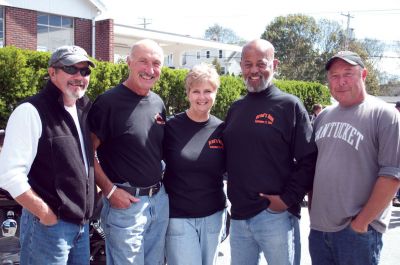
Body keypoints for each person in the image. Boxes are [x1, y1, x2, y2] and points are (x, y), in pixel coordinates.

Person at [222, 39, 317, 265]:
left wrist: (286, 200)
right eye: (247, 64)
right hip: (239, 217)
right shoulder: (236, 108)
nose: (254, 70)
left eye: (261, 63)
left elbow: (309, 159)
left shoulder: (289, 106)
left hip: (275, 217)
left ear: (274, 64)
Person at [0, 45, 96, 264]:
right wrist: (45, 214)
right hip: (48, 228)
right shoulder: (31, 111)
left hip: (81, 228)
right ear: (52, 72)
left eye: (85, 71)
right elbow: (9, 174)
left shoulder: (83, 110)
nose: (79, 76)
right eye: (71, 69)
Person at [309, 51, 400, 265]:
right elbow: (313, 168)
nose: (341, 81)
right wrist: (313, 213)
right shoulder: (323, 117)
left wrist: (361, 223)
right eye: (334, 75)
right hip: (320, 231)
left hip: (357, 234)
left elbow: (392, 176)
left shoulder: (385, 115)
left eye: (348, 74)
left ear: (364, 75)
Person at [88, 39, 168, 265]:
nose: (150, 70)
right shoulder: (108, 103)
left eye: (156, 63)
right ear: (129, 62)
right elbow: (87, 152)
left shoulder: (158, 103)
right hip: (126, 205)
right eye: (143, 61)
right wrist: (110, 191)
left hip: (158, 203)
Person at [163, 63, 227, 265]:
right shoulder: (171, 127)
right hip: (179, 217)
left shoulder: (223, 129)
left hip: (214, 215)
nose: (202, 97)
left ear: (215, 93)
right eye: (196, 91)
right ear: (188, 94)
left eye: (207, 91)